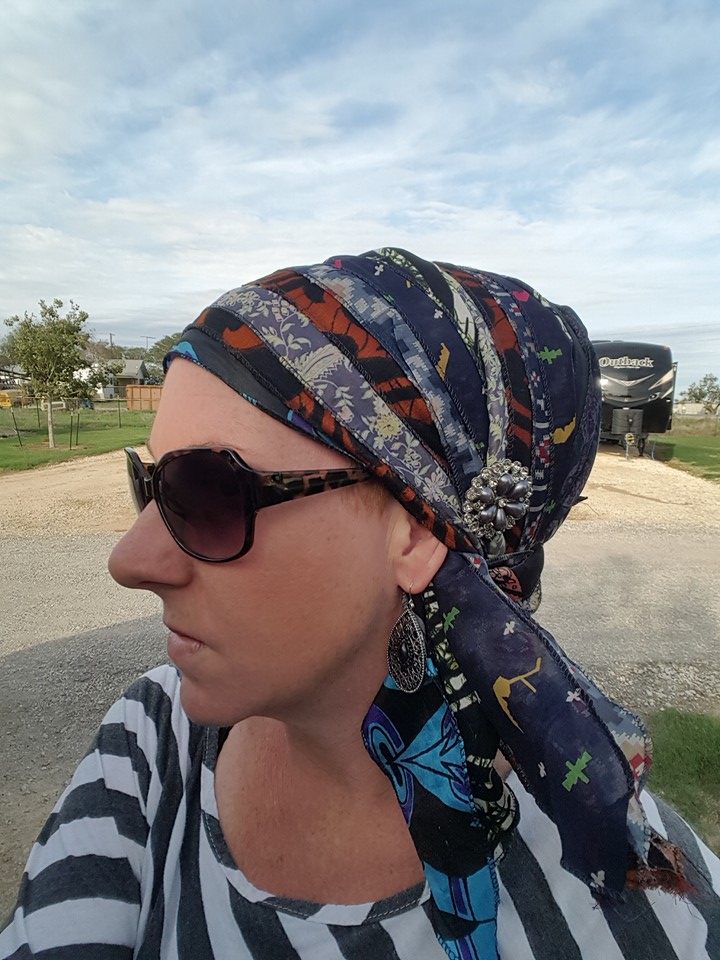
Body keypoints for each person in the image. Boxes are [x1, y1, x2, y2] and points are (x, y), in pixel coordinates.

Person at [1, 248, 718, 960]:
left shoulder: (660, 927)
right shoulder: (152, 739)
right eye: (150, 483)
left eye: (206, 491)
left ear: (418, 532)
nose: (129, 560)